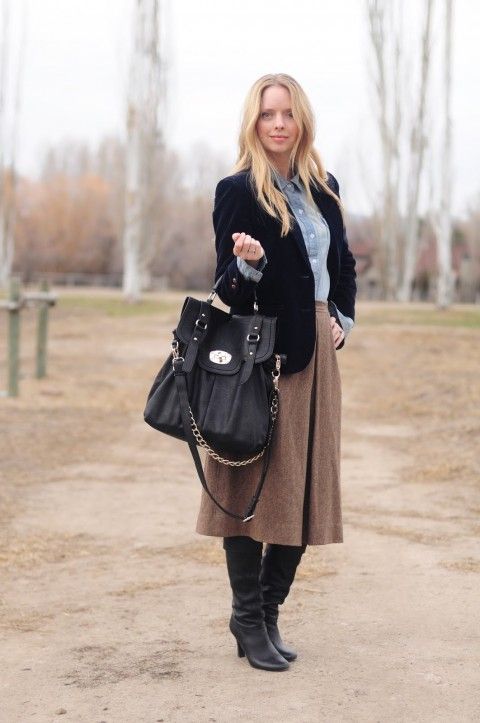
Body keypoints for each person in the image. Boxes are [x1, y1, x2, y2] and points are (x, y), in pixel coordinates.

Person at [195, 73, 357, 671]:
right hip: (265, 356)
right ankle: (245, 617)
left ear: (302, 120)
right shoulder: (238, 191)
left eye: (288, 113)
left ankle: (267, 613)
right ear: (254, 123)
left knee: (307, 485)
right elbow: (227, 289)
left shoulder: (324, 186)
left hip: (317, 348)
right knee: (252, 485)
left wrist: (341, 314)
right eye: (268, 114)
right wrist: (250, 265)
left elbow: (343, 263)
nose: (279, 124)